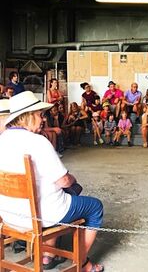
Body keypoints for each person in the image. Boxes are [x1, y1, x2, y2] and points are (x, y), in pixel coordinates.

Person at [0, 91, 104, 271]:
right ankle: (83, 263)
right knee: (94, 206)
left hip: (9, 216)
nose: (43, 120)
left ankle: (48, 255)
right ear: (28, 116)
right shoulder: (37, 142)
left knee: (59, 195)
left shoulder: (2, 140)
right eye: (40, 115)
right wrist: (72, 179)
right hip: (41, 215)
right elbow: (63, 180)